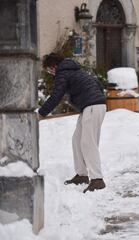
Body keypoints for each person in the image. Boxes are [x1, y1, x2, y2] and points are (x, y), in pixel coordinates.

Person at [38, 53, 107, 193]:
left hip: (93, 107)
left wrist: (41, 113)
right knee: (77, 140)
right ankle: (82, 175)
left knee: (88, 142)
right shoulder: (75, 71)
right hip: (91, 106)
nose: (50, 73)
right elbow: (98, 85)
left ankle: (97, 179)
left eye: (50, 70)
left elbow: (56, 95)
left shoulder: (63, 73)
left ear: (54, 66)